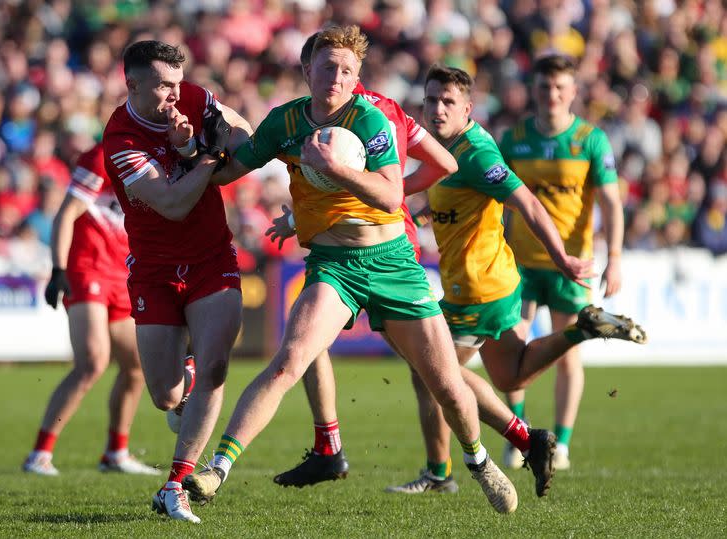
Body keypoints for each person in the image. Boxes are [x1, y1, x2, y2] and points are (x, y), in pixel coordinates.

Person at [185, 25, 520, 515]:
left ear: (356, 76)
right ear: (307, 71)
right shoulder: (285, 121)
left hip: (393, 264)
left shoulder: (370, 119)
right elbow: (233, 169)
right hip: (335, 266)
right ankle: (217, 468)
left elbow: (390, 194)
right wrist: (192, 161)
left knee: (445, 382)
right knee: (288, 360)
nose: (337, 78)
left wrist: (338, 169)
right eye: (327, 68)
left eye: (347, 71)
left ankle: (480, 460)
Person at [269, 32, 555, 497]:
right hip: (355, 243)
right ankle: (336, 447)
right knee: (330, 347)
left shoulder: (366, 113)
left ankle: (448, 462)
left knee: (439, 374)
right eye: (322, 70)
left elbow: (383, 182)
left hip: (382, 252)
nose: (328, 81)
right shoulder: (377, 108)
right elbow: (425, 167)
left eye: (336, 70)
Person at [383, 64, 645, 493]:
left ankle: (444, 471)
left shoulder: (478, 152)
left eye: (448, 101)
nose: (437, 109)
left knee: (432, 372)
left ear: (467, 108)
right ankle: (581, 332)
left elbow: (528, 203)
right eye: (431, 100)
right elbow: (452, 196)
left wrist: (562, 258)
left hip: (478, 290)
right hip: (497, 281)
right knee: (510, 378)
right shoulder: (443, 148)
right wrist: (419, 215)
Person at [102, 40, 252, 523]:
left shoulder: (194, 97)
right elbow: (171, 203)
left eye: (177, 82)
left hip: (212, 257)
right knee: (166, 395)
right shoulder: (120, 138)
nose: (174, 92)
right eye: (163, 84)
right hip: (155, 268)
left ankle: (174, 486)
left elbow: (244, 134)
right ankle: (184, 377)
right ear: (133, 84)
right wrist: (205, 157)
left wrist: (224, 141)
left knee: (216, 368)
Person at [499, 54, 626, 471]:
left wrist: (615, 259)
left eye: (559, 88)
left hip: (572, 266)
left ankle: (563, 443)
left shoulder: (591, 140)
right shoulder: (513, 139)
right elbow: (492, 200)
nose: (551, 95)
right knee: (513, 352)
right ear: (532, 91)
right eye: (543, 87)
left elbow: (611, 201)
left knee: (568, 353)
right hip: (518, 265)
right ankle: (520, 436)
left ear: (573, 92)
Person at [22, 142, 159, 477]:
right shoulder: (103, 156)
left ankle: (115, 452)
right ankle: (40, 453)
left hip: (122, 273)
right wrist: (58, 269)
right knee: (92, 363)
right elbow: (67, 212)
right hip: (87, 269)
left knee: (137, 366)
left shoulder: (158, 160)